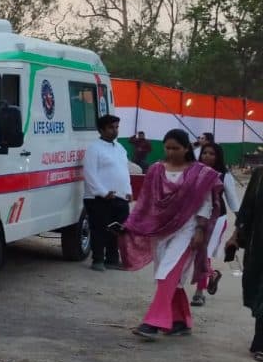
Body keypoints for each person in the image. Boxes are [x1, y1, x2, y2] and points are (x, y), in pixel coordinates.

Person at [117, 129, 223, 340]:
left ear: (186, 148)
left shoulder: (200, 173)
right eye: (168, 148)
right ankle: (180, 321)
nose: (171, 152)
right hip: (161, 231)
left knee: (167, 273)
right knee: (168, 277)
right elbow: (146, 202)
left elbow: (206, 204)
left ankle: (153, 322)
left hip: (188, 230)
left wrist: (200, 231)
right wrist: (132, 224)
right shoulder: (156, 170)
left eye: (176, 148)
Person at [82, 115, 133, 271]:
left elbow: (124, 171)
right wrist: (103, 192)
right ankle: (98, 260)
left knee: (116, 231)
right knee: (99, 230)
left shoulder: (120, 148)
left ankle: (112, 259)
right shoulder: (94, 149)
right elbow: (90, 174)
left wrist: (128, 191)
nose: (115, 130)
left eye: (116, 127)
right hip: (99, 198)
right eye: (111, 127)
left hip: (119, 198)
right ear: (101, 129)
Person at [192, 143, 239, 306]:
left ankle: (199, 292)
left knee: (203, 254)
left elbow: (233, 201)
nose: (207, 156)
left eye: (212, 154)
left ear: (218, 157)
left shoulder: (224, 175)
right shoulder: (193, 172)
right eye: (205, 153)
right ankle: (211, 275)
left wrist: (240, 225)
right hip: (194, 218)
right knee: (192, 253)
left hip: (217, 219)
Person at [226, 166, 263, 361]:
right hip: (258, 247)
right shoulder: (259, 174)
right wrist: (236, 236)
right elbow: (247, 208)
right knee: (255, 290)